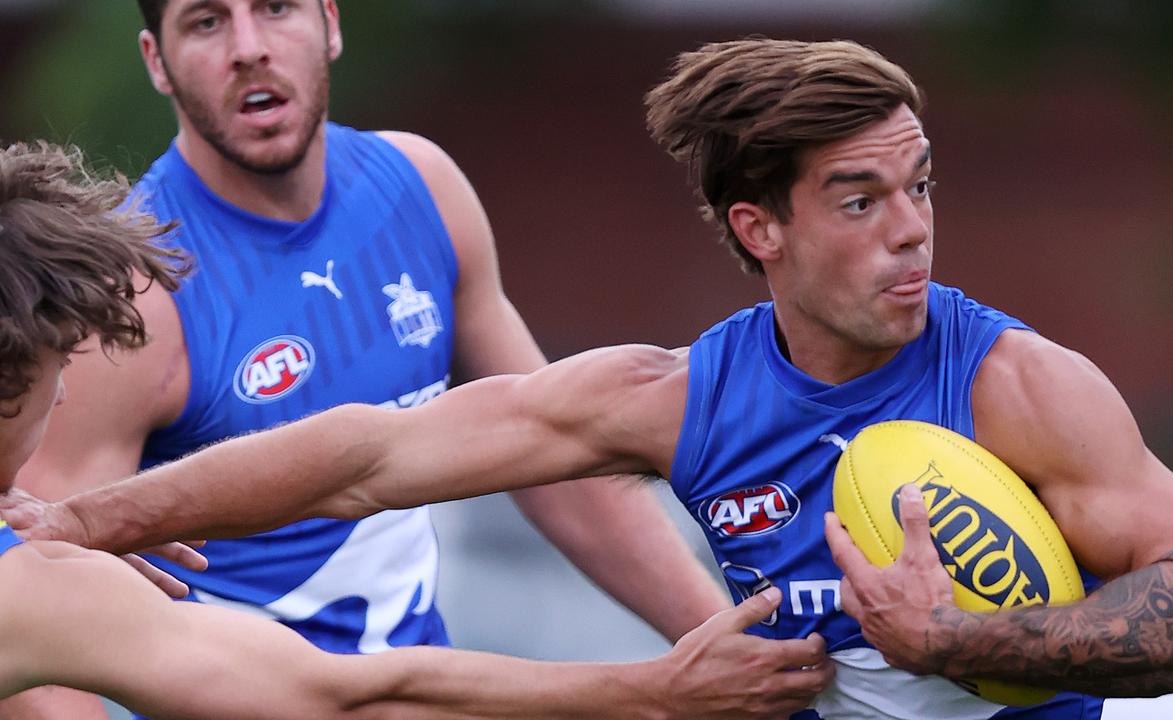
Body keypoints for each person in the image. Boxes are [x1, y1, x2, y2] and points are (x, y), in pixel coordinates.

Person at [6, 38, 1173, 720]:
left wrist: (965, 639)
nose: (911, 230)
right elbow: (366, 461)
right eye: (860, 197)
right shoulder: (679, 400)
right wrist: (80, 521)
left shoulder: (1016, 387)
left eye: (919, 185)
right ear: (755, 228)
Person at [16, 0, 739, 715]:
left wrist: (731, 645)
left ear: (330, 23)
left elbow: (559, 460)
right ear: (157, 62)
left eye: (275, 8)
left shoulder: (419, 187)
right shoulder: (136, 296)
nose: (248, 47)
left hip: (427, 694)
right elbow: (37, 620)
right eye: (206, 21)